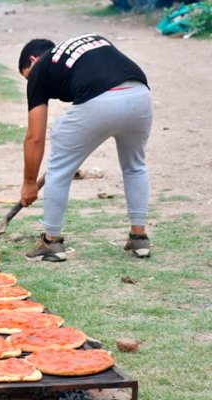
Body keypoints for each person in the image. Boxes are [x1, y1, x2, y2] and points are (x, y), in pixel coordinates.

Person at [17, 34, 153, 262]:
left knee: (59, 169)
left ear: (33, 60)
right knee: (135, 166)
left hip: (99, 99)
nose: (33, 84)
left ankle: (51, 241)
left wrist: (29, 183)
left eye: (27, 77)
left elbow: (35, 138)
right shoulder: (87, 44)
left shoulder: (40, 69)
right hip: (140, 94)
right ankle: (139, 238)